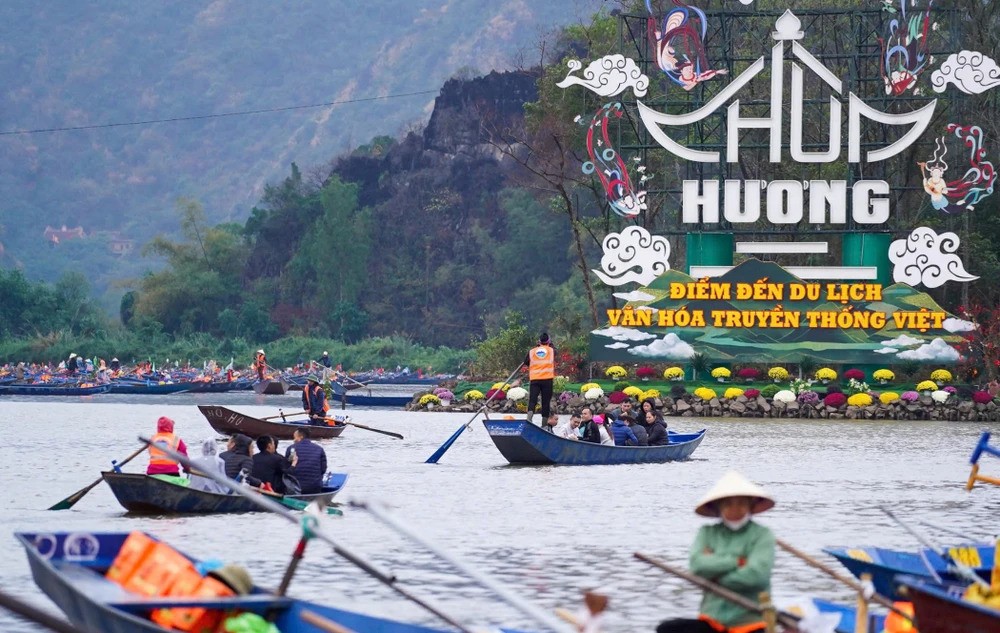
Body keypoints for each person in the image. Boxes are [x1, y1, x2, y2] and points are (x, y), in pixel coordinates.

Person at [655, 471, 776, 633]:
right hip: (712, 620)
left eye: (741, 503)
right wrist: (737, 561)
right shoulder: (707, 533)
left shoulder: (762, 534)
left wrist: (714, 577)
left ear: (750, 506)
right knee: (666, 629)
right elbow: (697, 566)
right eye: (728, 504)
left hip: (750, 622)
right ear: (718, 508)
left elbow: (756, 576)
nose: (735, 509)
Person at [522, 332, 555, 425]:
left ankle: (529, 419)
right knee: (546, 402)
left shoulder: (532, 351)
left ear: (539, 341)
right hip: (547, 380)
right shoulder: (551, 350)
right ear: (548, 341)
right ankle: (544, 424)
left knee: (532, 400)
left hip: (535, 379)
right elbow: (554, 351)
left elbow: (526, 362)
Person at [285, 427, 327, 494]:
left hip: (296, 488)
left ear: (301, 437)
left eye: (295, 437)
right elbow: (323, 469)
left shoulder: (291, 448)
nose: (294, 440)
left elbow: (287, 469)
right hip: (315, 487)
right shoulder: (319, 449)